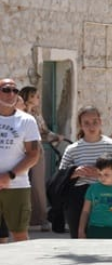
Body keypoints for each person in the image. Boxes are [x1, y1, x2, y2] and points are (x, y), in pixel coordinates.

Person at [58, 106, 112, 239]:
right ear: (80, 125)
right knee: (80, 239)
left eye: (95, 122)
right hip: (78, 197)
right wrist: (75, 172)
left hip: (107, 197)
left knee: (106, 240)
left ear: (101, 122)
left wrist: (101, 175)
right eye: (86, 123)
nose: (91, 126)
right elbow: (59, 180)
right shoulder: (72, 149)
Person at [18, 86, 66, 232]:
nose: (39, 98)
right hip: (20, 151)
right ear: (29, 97)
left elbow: (43, 131)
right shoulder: (19, 113)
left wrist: (56, 136)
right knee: (21, 185)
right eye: (36, 96)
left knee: (38, 185)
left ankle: (41, 218)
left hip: (36, 150)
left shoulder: (37, 114)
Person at [0, 78, 42, 243]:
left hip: (17, 185)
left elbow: (33, 155)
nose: (11, 94)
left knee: (20, 235)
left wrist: (9, 175)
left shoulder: (26, 121)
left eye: (14, 91)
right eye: (6, 90)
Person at [77, 156, 112, 239]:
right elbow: (85, 211)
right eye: (99, 174)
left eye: (106, 174)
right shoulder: (92, 189)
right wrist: (81, 231)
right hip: (95, 229)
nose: (102, 177)